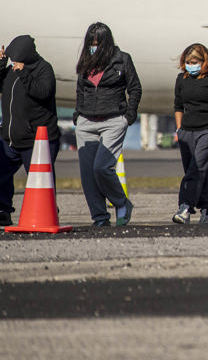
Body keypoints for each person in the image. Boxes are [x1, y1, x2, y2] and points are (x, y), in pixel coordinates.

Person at [73, 22, 140, 227]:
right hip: (86, 121)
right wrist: (77, 115)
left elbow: (135, 88)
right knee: (88, 174)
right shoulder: (85, 60)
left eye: (97, 43)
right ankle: (100, 218)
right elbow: (80, 89)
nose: (93, 46)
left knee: (101, 167)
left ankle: (122, 203)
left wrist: (128, 116)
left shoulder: (122, 59)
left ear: (106, 42)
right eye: (90, 43)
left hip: (113, 120)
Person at [0, 36, 58, 228]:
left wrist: (24, 73)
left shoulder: (44, 69)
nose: (13, 61)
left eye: (15, 57)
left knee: (40, 179)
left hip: (35, 140)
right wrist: (1, 64)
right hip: (11, 139)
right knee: (2, 174)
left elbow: (42, 92)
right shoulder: (10, 71)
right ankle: (3, 211)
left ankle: (48, 211)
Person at [172, 43, 208, 227]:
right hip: (186, 132)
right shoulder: (182, 79)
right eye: (188, 61)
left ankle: (185, 207)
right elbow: (178, 106)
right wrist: (179, 128)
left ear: (204, 61)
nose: (191, 64)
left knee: (195, 169)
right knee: (199, 171)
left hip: (207, 130)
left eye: (195, 61)